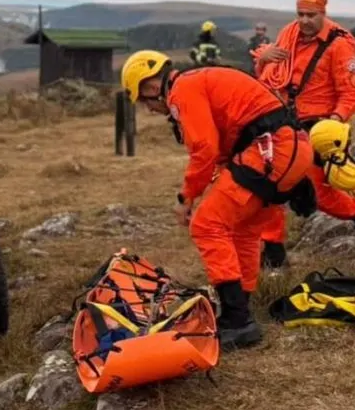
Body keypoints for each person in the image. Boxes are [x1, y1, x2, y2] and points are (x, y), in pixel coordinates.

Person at [120, 50, 314, 351]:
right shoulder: (197, 82)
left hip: (271, 150)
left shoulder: (183, 91)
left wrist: (186, 198)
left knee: (207, 225)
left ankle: (238, 320)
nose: (148, 110)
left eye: (144, 101)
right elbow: (223, 149)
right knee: (243, 229)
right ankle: (241, 308)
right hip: (288, 150)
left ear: (149, 87)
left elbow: (204, 150)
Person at [252, 0, 355, 271]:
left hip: (320, 126)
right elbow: (269, 77)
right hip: (285, 123)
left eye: (311, 15)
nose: (304, 21)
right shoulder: (288, 37)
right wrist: (265, 58)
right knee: (269, 182)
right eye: (300, 14)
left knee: (318, 192)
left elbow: (351, 93)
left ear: (323, 13)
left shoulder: (339, 46)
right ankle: (273, 250)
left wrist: (333, 124)